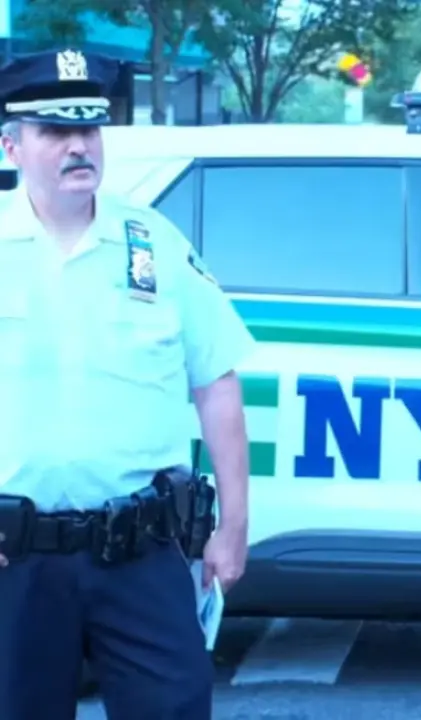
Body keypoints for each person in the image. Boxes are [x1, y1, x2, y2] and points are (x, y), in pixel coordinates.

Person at [0, 49, 253, 719]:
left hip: (140, 553)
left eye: (89, 128)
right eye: (56, 131)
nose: (79, 146)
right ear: (11, 146)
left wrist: (234, 526)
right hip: (14, 559)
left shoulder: (156, 245)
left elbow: (217, 383)